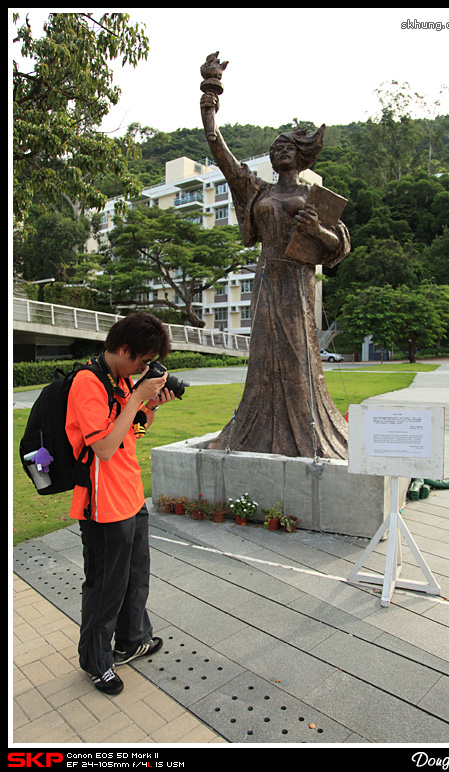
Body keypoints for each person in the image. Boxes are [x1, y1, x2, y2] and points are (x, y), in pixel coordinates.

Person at [200, 62, 351, 460]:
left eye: (289, 147)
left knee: (299, 357)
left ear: (301, 156)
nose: (281, 150)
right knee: (264, 358)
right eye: (276, 147)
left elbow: (338, 249)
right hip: (268, 280)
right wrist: (209, 104)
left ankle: (306, 433)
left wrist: (317, 230)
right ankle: (256, 430)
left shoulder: (315, 198)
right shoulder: (257, 190)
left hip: (298, 284)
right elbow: (220, 152)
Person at [65, 312, 174, 695]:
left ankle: (132, 639)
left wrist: (151, 405)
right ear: (124, 349)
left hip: (129, 496)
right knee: (104, 586)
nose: (145, 368)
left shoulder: (123, 381)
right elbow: (105, 447)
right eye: (142, 361)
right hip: (102, 504)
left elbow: (132, 435)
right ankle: (96, 661)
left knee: (135, 576)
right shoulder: (87, 383)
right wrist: (137, 398)